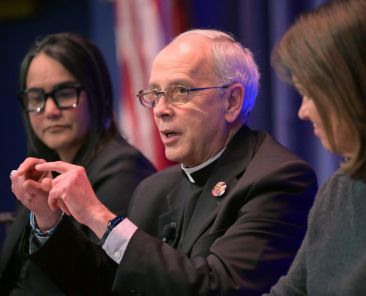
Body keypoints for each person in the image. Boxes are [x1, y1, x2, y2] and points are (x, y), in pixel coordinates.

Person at [13, 29, 317, 295]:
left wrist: (98, 217)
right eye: (155, 94)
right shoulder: (154, 189)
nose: (160, 109)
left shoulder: (278, 179)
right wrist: (47, 219)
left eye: (180, 91)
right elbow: (105, 286)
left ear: (232, 101)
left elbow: (219, 287)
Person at [0, 32, 156, 295]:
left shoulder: (124, 170)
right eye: (36, 97)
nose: (50, 110)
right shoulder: (45, 168)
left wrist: (49, 222)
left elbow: (102, 283)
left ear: (97, 94)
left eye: (64, 93)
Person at [264, 0, 366, 295]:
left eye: (310, 94)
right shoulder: (339, 187)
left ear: (349, 89)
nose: (302, 112)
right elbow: (292, 290)